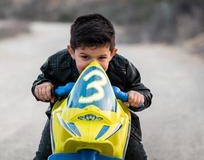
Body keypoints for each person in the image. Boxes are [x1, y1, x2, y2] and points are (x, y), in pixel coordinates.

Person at [31, 13, 153, 160]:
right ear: (72, 51)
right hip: (67, 120)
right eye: (85, 57)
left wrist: (136, 95)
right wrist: (43, 86)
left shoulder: (122, 67)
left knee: (137, 157)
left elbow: (142, 91)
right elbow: (42, 80)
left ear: (112, 53)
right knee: (44, 156)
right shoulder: (58, 62)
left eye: (102, 57)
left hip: (113, 122)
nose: (93, 64)